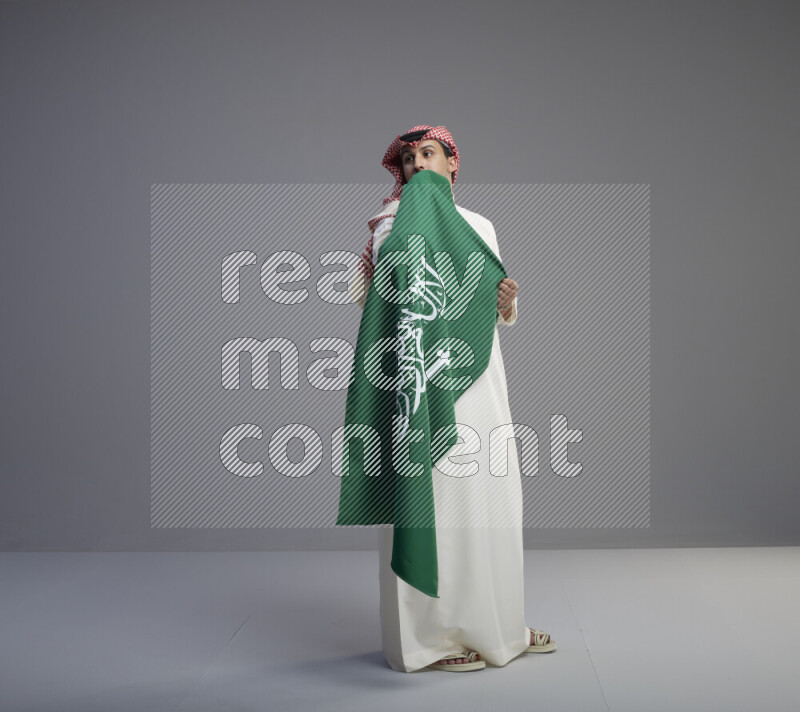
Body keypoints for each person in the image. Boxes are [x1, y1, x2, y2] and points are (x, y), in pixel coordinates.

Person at [351, 125, 556, 672]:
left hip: (480, 381)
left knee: (489, 501)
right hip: (422, 387)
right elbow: (383, 309)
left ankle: (499, 625)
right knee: (430, 503)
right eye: (410, 159)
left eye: (429, 155)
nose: (419, 165)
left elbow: (486, 311)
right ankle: (427, 641)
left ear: (452, 165)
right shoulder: (388, 228)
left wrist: (505, 300)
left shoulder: (480, 226)